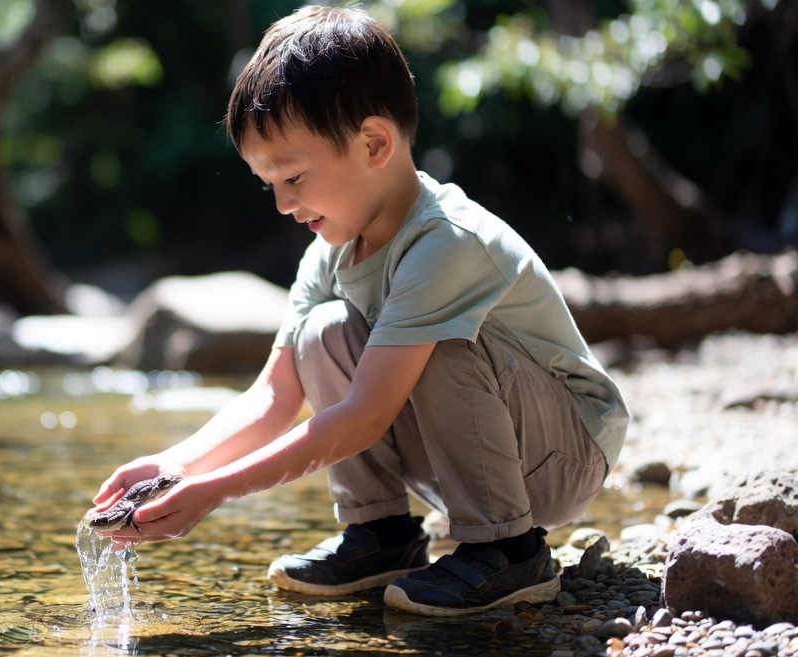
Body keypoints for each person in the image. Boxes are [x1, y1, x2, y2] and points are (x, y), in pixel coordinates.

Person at [89, 5, 628, 617]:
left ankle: (509, 549)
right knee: (320, 332)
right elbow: (273, 396)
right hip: (478, 453)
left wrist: (217, 492)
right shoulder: (333, 250)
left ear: (374, 143)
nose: (282, 204)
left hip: (563, 457)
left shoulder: (447, 243)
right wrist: (175, 468)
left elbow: (366, 416)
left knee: (441, 342)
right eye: (269, 184)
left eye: (293, 177)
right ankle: (382, 536)